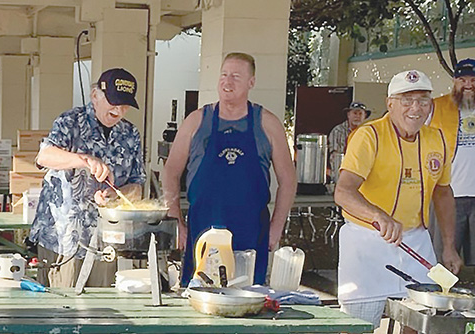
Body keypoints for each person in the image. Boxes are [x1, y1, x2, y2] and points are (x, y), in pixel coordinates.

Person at [334, 70, 463, 334]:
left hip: (415, 238)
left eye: (422, 100)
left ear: (430, 105)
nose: (415, 108)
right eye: (406, 100)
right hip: (365, 239)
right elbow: (343, 192)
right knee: (354, 324)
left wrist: (449, 245)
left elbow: (443, 192)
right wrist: (378, 216)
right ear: (389, 103)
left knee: (418, 317)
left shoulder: (437, 138)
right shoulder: (368, 135)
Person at [163, 52, 296, 286]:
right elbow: (171, 171)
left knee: (248, 302)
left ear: (251, 83)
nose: (227, 81)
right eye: (224, 75)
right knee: (199, 300)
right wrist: (177, 222)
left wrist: (276, 227)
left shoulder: (267, 123)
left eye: (236, 76)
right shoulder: (197, 121)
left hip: (250, 230)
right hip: (203, 229)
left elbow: (288, 180)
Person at [29, 68, 146, 288]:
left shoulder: (130, 134)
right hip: (64, 237)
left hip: (106, 240)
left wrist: (116, 195)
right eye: (114, 102)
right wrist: (84, 160)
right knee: (61, 311)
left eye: (125, 105)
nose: (119, 110)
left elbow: (137, 186)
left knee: (101, 311)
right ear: (95, 96)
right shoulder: (70, 121)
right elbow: (45, 156)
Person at [428, 58, 475, 266]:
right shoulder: (436, 107)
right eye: (462, 79)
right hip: (447, 195)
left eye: (473, 80)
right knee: (443, 261)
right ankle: (442, 298)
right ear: (454, 81)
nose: (468, 85)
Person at [328, 102, 370, 182]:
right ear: (348, 115)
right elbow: (336, 155)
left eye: (360, 114)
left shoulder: (368, 132)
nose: (357, 116)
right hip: (342, 171)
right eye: (355, 113)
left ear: (365, 116)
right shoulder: (338, 131)